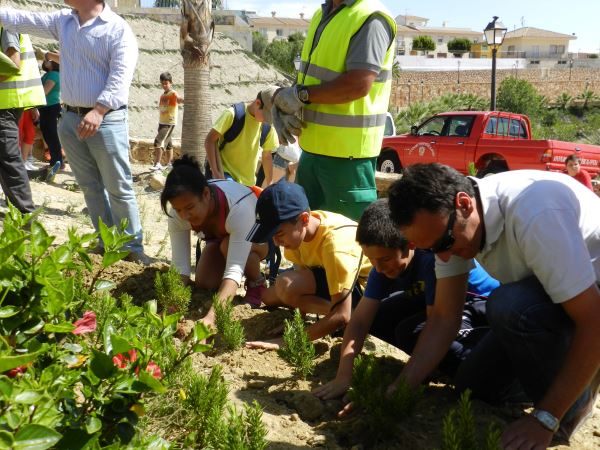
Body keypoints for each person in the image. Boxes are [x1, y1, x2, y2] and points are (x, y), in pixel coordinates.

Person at [386, 163, 600, 449]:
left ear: (464, 204)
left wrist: (545, 418)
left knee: (510, 306)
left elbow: (594, 321)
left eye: (445, 244)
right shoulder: (451, 227)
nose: (444, 258)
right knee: (473, 386)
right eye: (431, 249)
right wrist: (399, 390)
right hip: (550, 300)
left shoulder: (535, 215)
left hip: (589, 301)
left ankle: (577, 402)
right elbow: (444, 318)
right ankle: (560, 378)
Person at [1, 0, 147, 261]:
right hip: (70, 118)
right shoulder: (64, 21)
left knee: (118, 187)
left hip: (105, 119)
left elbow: (121, 75)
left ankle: (132, 250)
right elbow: (22, 19)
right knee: (90, 187)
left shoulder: (117, 29)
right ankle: (105, 242)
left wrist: (99, 110)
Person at [313, 199, 500, 401]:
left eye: (384, 259)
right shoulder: (382, 266)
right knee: (379, 316)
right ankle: (430, 365)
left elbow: (437, 325)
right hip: (432, 302)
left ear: (409, 243)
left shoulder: (431, 260)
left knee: (410, 332)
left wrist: (400, 388)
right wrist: (344, 376)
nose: (378, 268)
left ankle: (475, 370)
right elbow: (359, 321)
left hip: (482, 307)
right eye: (371, 259)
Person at [265, 0, 397, 221]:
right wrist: (287, 106)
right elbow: (310, 77)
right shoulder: (322, 14)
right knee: (308, 245)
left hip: (348, 159)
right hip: (311, 153)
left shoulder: (371, 16)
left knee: (346, 248)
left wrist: (300, 96)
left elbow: (358, 85)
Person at [245, 180, 372, 350]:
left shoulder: (335, 245)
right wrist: (299, 321)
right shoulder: (301, 231)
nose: (276, 241)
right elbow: (304, 273)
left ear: (304, 219)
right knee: (269, 296)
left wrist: (289, 341)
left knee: (286, 284)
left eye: (279, 233)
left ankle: (356, 317)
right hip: (332, 275)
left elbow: (342, 315)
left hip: (367, 292)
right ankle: (334, 315)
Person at [161, 155, 269, 329]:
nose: (184, 216)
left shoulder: (239, 209)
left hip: (258, 241)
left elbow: (234, 271)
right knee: (205, 283)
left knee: (228, 247)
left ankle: (257, 282)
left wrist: (211, 318)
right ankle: (224, 293)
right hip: (219, 239)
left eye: (189, 208)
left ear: (205, 194)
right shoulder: (177, 215)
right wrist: (171, 307)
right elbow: (180, 269)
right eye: (178, 209)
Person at [0, 28, 45, 214]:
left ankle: (25, 216)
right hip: (7, 104)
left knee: (9, 158)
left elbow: (13, 63)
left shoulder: (6, 24)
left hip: (6, 106)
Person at [205, 88, 278, 187]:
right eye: (266, 116)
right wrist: (215, 172)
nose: (267, 120)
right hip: (225, 175)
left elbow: (267, 156)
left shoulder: (268, 127)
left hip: (248, 183)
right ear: (257, 103)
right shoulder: (233, 114)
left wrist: (270, 183)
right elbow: (210, 140)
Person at [152, 71, 183, 171]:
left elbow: (179, 99)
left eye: (166, 83)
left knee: (158, 141)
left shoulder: (173, 93)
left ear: (171, 83)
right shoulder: (162, 95)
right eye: (162, 83)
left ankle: (157, 164)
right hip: (162, 122)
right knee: (169, 144)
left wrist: (190, 98)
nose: (164, 85)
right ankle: (170, 164)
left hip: (169, 122)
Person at [38, 57, 62, 182]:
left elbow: (44, 91)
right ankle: (56, 160)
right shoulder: (49, 74)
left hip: (50, 107)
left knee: (51, 134)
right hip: (46, 107)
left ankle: (57, 160)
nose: (45, 61)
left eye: (47, 59)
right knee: (48, 134)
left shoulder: (53, 74)